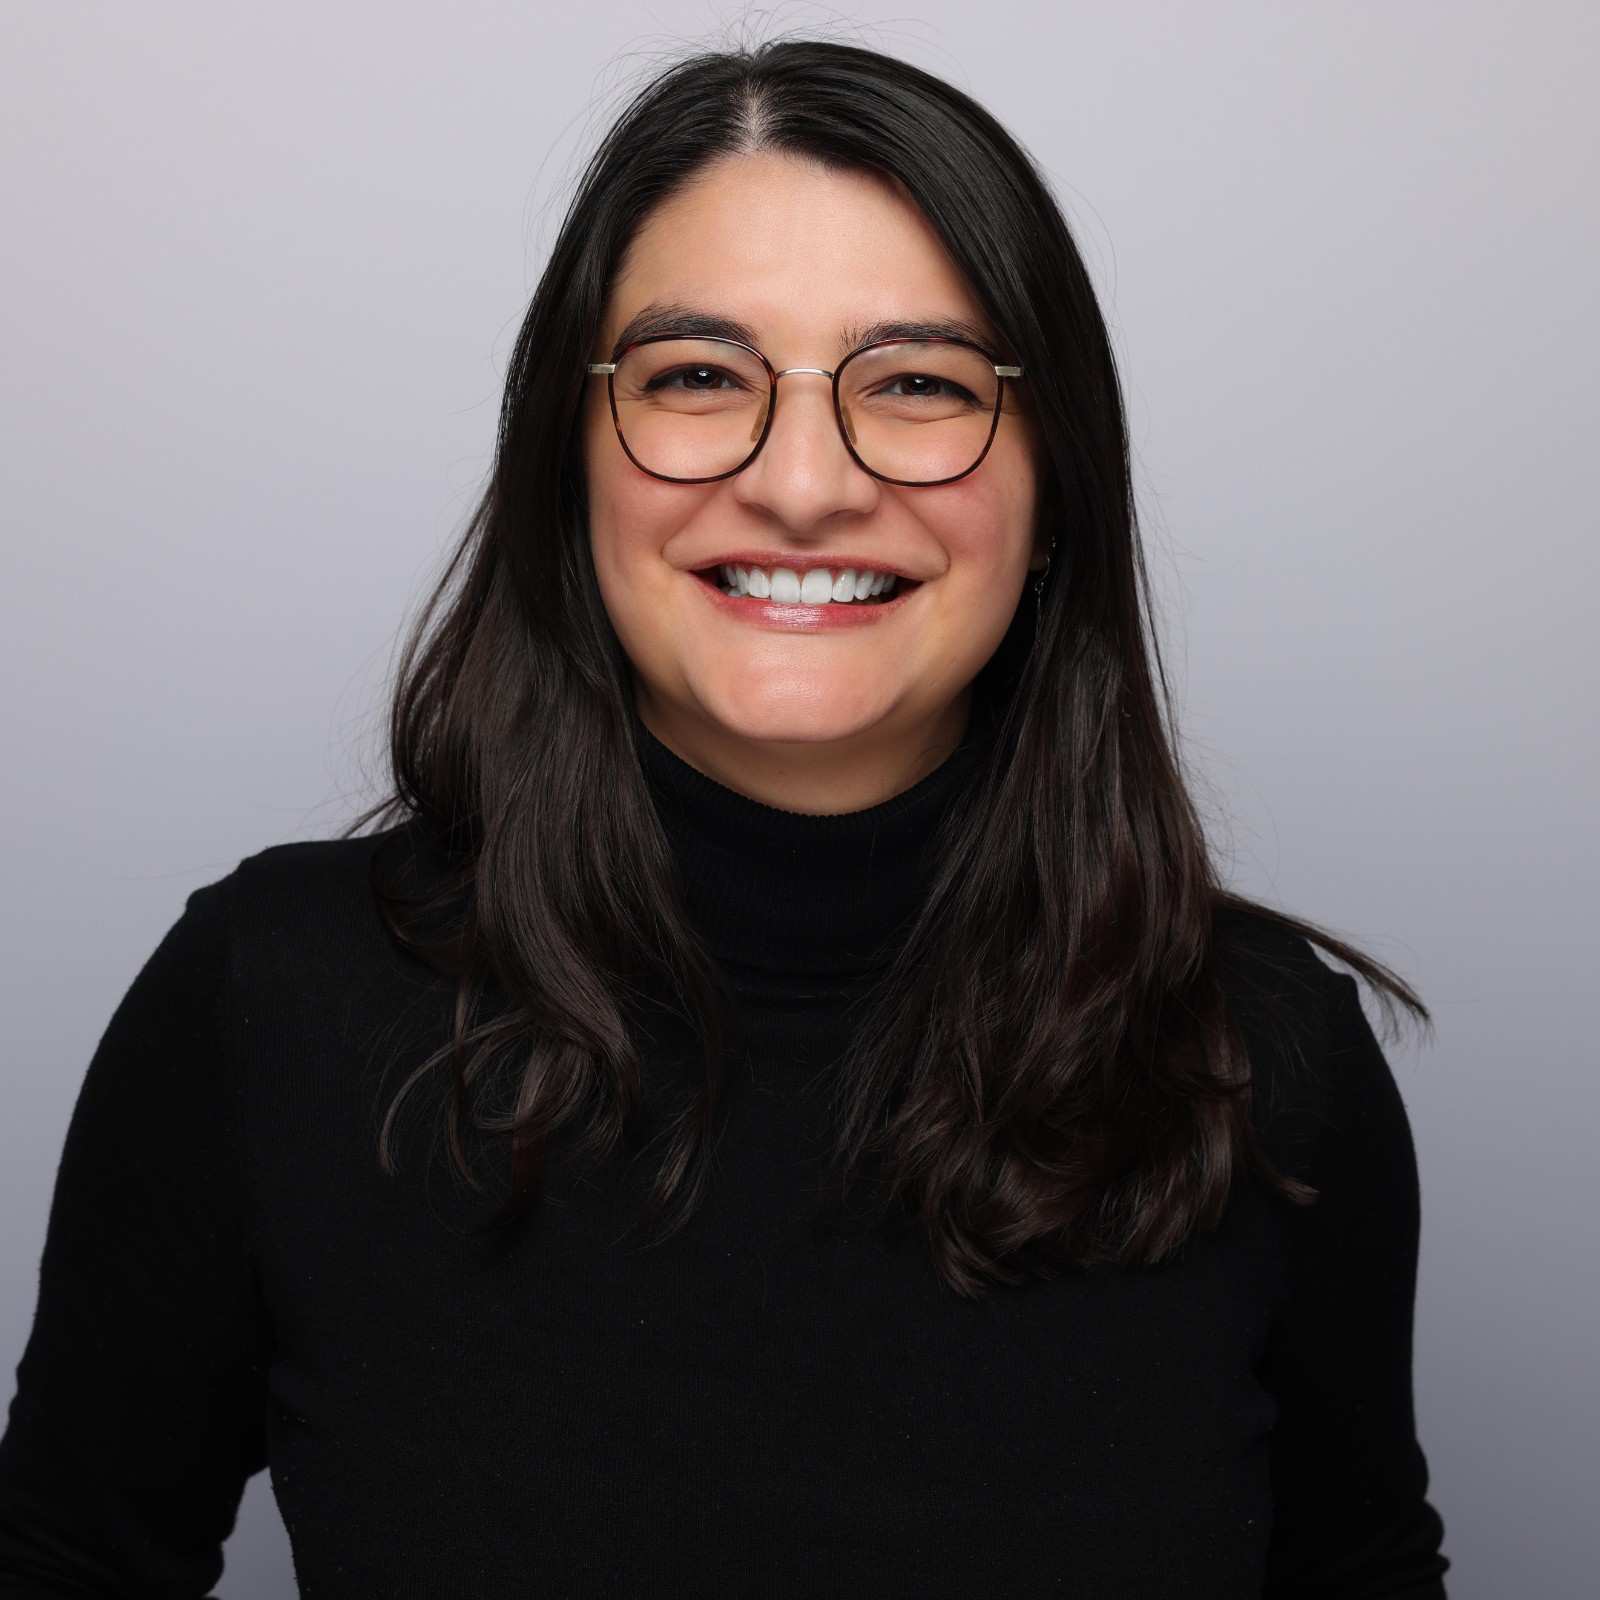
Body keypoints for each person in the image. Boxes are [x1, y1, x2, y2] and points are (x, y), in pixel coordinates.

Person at [0, 35, 1451, 1598]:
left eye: (917, 384)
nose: (806, 484)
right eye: (699, 378)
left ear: (1055, 496)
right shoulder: (270, 1003)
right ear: (571, 464)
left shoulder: (1264, 1057)